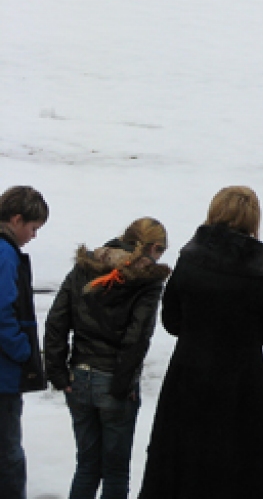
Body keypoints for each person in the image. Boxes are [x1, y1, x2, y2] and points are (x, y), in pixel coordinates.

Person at [138, 186, 263, 499]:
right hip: (243, 384)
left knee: (181, 467)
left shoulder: (191, 257)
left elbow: (172, 320)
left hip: (189, 376)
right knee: (241, 473)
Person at [43, 218, 171, 499]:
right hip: (114, 380)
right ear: (153, 247)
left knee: (87, 467)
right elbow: (136, 339)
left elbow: (56, 321)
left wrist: (58, 372)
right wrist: (122, 385)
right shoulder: (147, 282)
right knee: (115, 472)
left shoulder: (85, 266)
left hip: (78, 377)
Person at [0, 186, 48, 499]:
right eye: (33, 228)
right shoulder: (5, 254)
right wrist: (23, 350)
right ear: (16, 220)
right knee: (8, 452)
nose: (33, 236)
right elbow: (3, 310)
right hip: (3, 375)